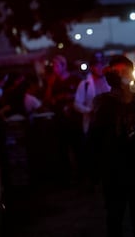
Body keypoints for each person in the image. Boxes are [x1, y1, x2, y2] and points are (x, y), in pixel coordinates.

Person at [87, 55, 135, 237]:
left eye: (125, 71)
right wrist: (94, 172)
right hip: (113, 171)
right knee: (115, 218)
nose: (121, 75)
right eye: (116, 72)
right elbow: (93, 138)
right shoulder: (102, 102)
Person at [43, 54, 83, 184]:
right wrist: (50, 84)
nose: (54, 68)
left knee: (78, 148)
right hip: (60, 121)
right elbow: (48, 100)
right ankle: (67, 177)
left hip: (74, 120)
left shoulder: (74, 79)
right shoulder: (53, 81)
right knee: (62, 150)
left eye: (57, 65)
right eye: (53, 65)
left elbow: (81, 96)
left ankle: (82, 175)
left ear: (63, 66)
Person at [74, 53, 110, 187]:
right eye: (96, 64)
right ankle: (94, 180)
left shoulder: (109, 81)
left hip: (108, 124)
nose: (99, 67)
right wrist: (89, 110)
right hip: (92, 125)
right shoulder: (85, 84)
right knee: (93, 154)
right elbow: (77, 104)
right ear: (92, 67)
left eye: (101, 64)